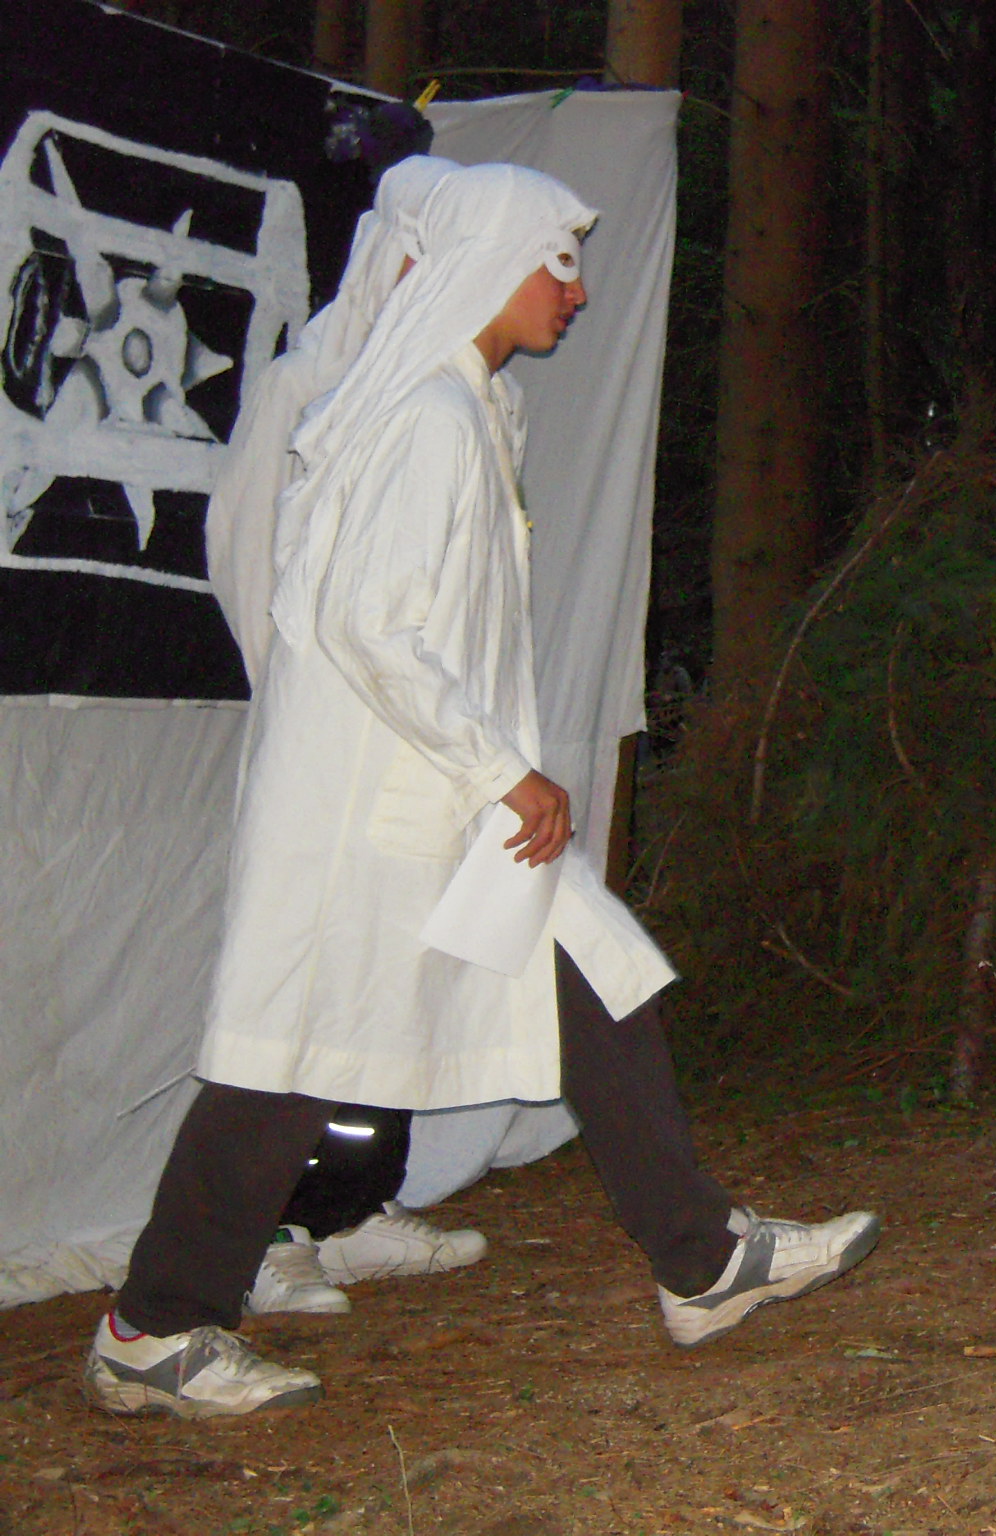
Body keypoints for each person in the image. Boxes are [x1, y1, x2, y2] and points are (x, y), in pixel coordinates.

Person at [86, 163, 880, 1419]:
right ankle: (155, 1326)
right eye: (555, 262)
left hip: (433, 804)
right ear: (483, 265)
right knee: (286, 1061)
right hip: (371, 812)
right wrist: (499, 770)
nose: (576, 289)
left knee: (593, 974)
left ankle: (702, 1258)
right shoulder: (426, 418)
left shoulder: (457, 406)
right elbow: (367, 625)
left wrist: (486, 777)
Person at [209, 153, 488, 1321]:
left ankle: (353, 1208)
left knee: (391, 981)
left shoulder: (454, 398)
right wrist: (305, 709)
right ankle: (266, 1232)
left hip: (416, 755)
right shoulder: (303, 387)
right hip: (328, 748)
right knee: (304, 992)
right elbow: (244, 553)